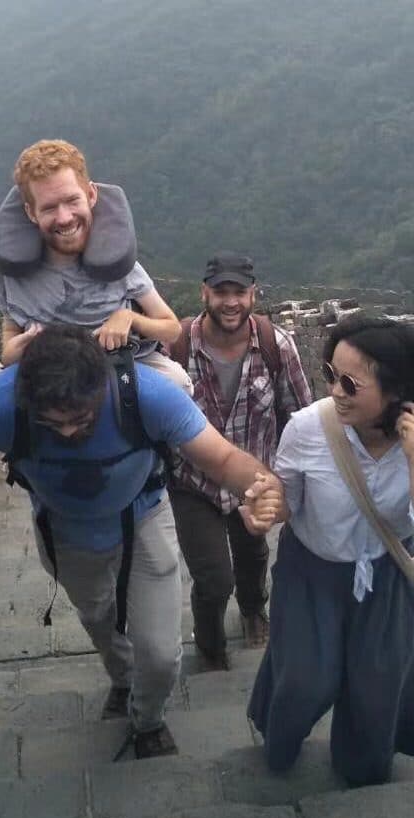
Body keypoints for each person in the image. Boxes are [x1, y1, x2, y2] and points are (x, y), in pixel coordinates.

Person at [0, 324, 282, 758]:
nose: (66, 432)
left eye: (80, 419)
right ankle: (122, 680)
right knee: (99, 619)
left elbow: (222, 457)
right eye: (52, 422)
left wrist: (263, 487)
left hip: (142, 516)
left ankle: (147, 721)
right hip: (65, 532)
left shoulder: (144, 394)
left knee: (160, 655)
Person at [248, 315, 414, 786]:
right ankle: (278, 734)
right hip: (312, 571)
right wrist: (266, 506)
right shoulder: (308, 428)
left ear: (397, 389)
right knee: (307, 678)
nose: (335, 390)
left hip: (386, 574)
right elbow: (290, 502)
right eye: (330, 374)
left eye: (351, 382)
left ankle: (363, 767)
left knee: (378, 684)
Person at [168, 252, 312, 667]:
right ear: (204, 293)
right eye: (220, 292)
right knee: (213, 579)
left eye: (239, 292)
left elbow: (301, 416)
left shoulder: (275, 346)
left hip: (255, 479)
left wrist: (298, 484)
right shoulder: (176, 348)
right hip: (193, 483)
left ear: (253, 294)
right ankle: (211, 646)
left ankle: (253, 611)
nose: (230, 302)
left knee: (253, 559)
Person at [0, 139, 190, 390]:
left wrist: (129, 318)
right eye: (49, 207)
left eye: (72, 200)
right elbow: (9, 343)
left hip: (117, 361)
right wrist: (17, 348)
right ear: (31, 213)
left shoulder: (117, 262)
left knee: (179, 382)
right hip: (45, 369)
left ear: (91, 194)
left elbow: (171, 329)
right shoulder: (12, 272)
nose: (64, 218)